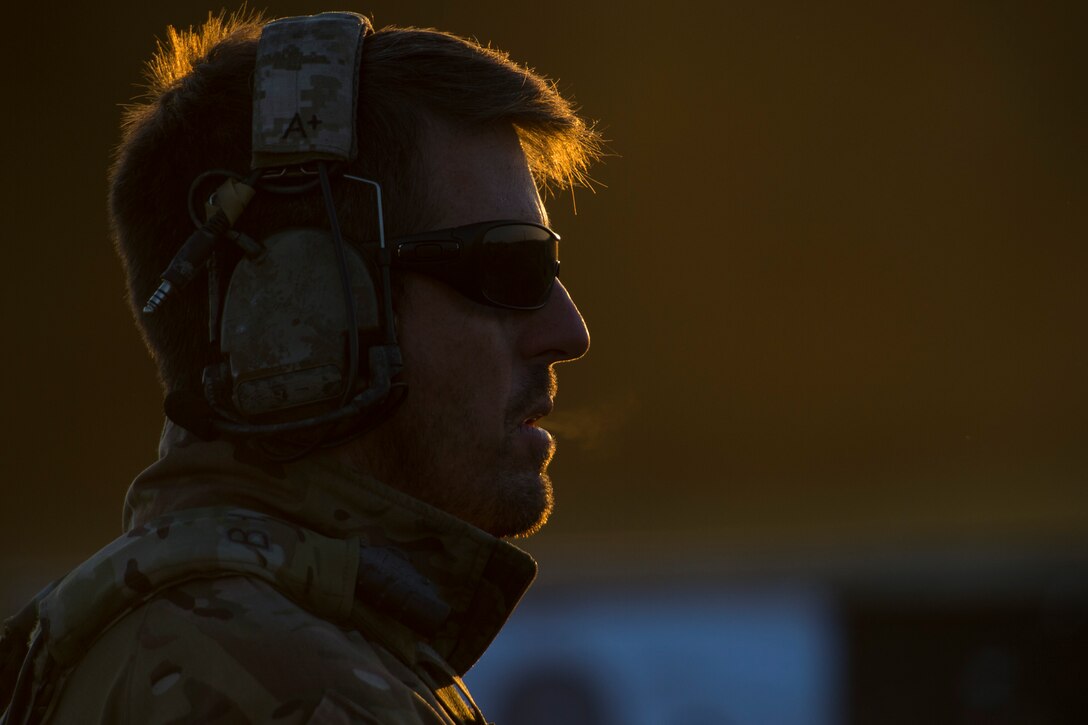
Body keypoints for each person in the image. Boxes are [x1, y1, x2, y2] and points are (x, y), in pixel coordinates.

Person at [0, 9, 601, 724]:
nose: (570, 331)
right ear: (303, 312)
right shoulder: (279, 684)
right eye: (508, 266)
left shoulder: (245, 640)